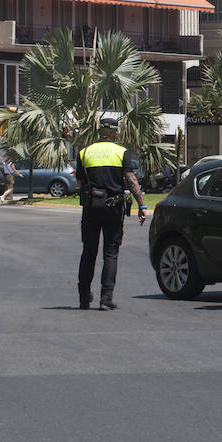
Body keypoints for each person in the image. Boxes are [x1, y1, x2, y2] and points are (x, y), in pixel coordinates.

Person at [76, 117, 146, 311]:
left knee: (89, 251)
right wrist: (141, 205)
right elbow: (131, 181)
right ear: (116, 133)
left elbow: (80, 182)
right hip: (113, 208)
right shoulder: (121, 152)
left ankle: (83, 297)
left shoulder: (84, 152)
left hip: (91, 207)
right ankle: (106, 298)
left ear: (99, 132)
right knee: (110, 252)